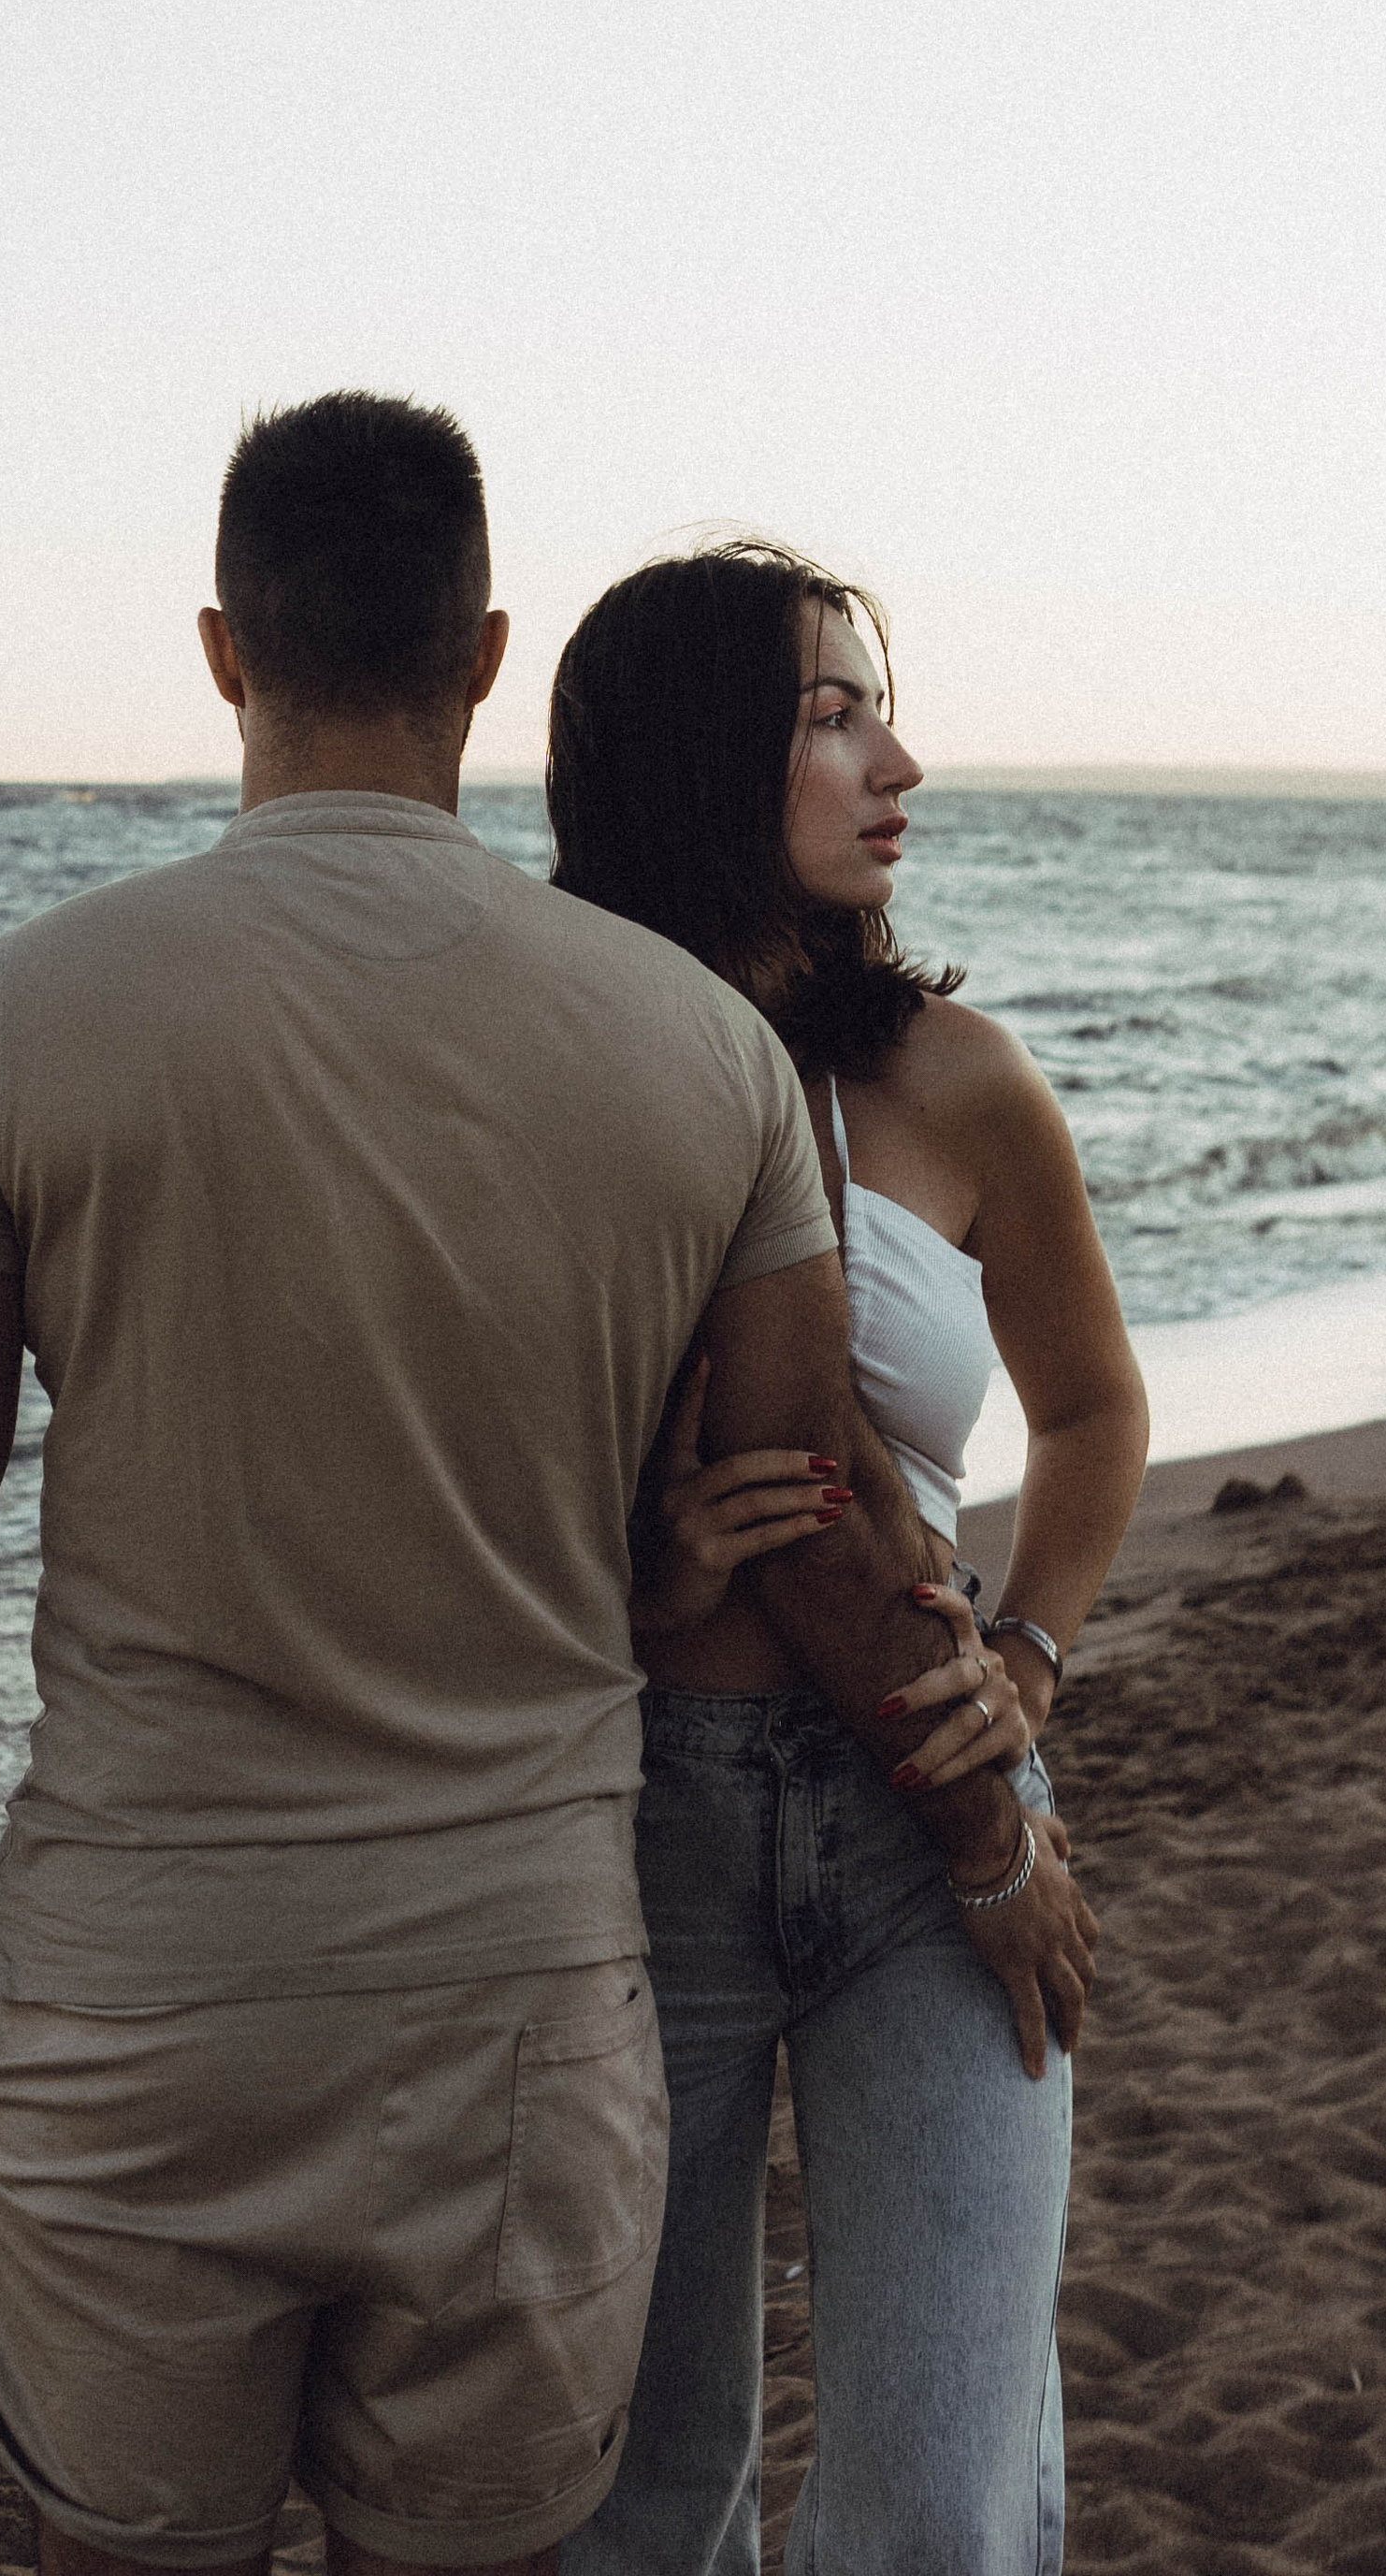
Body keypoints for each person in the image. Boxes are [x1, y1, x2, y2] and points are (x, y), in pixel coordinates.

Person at [0, 395, 1082, 2576]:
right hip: (526, 1986)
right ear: (483, 658)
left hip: (136, 1987)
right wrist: (986, 1817)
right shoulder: (693, 1058)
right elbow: (815, 1484)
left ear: (225, 652)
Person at [551, 543, 1150, 2576]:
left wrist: (1034, 1664)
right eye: (827, 711)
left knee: (938, 2498)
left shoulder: (959, 1086)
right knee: (638, 2495)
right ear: (693, 752)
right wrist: (625, 1574)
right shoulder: (555, 1080)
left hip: (934, 1828)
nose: (895, 757)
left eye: (877, 703)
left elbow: (1090, 1415)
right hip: (639, 1822)